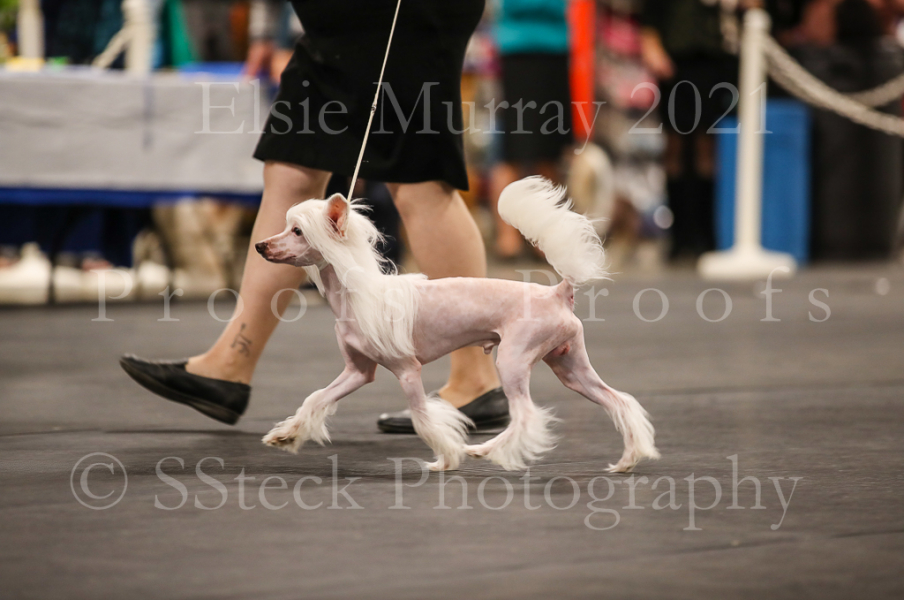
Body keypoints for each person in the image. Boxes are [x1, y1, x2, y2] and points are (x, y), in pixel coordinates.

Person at [121, 0, 510, 434]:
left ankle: (475, 381)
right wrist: (265, 31)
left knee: (419, 178)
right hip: (327, 18)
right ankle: (230, 361)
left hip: (405, 12)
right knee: (291, 166)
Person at [488, 0, 573, 259]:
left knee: (549, 151)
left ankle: (544, 235)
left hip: (553, 51)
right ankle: (507, 236)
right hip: (518, 52)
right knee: (512, 150)